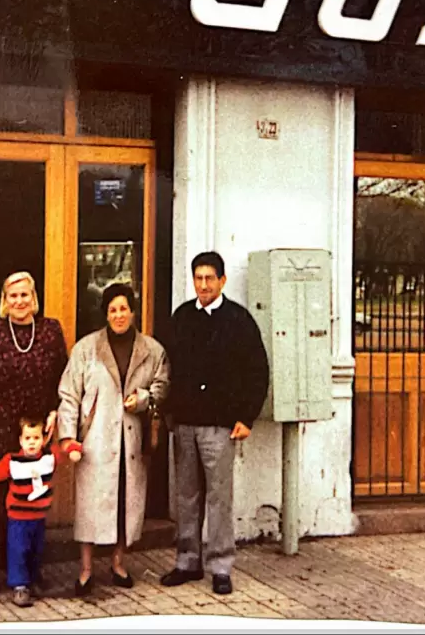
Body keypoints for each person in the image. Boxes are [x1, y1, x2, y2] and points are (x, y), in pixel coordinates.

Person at [159, 251, 269, 596]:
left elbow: (257, 371)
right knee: (187, 496)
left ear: (222, 280)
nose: (203, 284)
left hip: (221, 426)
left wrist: (246, 417)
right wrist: (169, 414)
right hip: (186, 424)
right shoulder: (181, 318)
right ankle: (187, 561)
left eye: (210, 278)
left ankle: (220, 565)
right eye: (198, 278)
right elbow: (168, 367)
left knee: (219, 497)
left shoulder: (239, 321)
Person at [0, 271, 68, 600]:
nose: (19, 301)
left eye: (25, 295)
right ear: (4, 301)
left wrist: (55, 410)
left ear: (34, 298)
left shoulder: (50, 331)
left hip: (34, 430)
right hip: (0, 426)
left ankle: (27, 571)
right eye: (13, 296)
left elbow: (62, 376)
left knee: (31, 498)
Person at [57, 282, 170, 595]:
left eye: (124, 309)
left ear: (133, 312)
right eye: (112, 310)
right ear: (105, 314)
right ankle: (86, 568)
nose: (119, 315)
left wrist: (144, 398)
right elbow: (69, 394)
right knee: (91, 505)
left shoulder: (152, 350)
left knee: (125, 502)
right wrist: (67, 438)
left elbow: (163, 387)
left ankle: (118, 563)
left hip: (131, 440)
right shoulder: (86, 348)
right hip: (95, 439)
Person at [0, 416, 77, 607]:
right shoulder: (12, 461)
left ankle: (33, 579)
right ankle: (19, 585)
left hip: (38, 517)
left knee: (36, 550)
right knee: (18, 550)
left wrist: (74, 450)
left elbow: (64, 451)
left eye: (36, 438)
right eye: (28, 438)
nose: (32, 443)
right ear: (20, 440)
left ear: (43, 440)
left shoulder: (47, 459)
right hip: (18, 518)